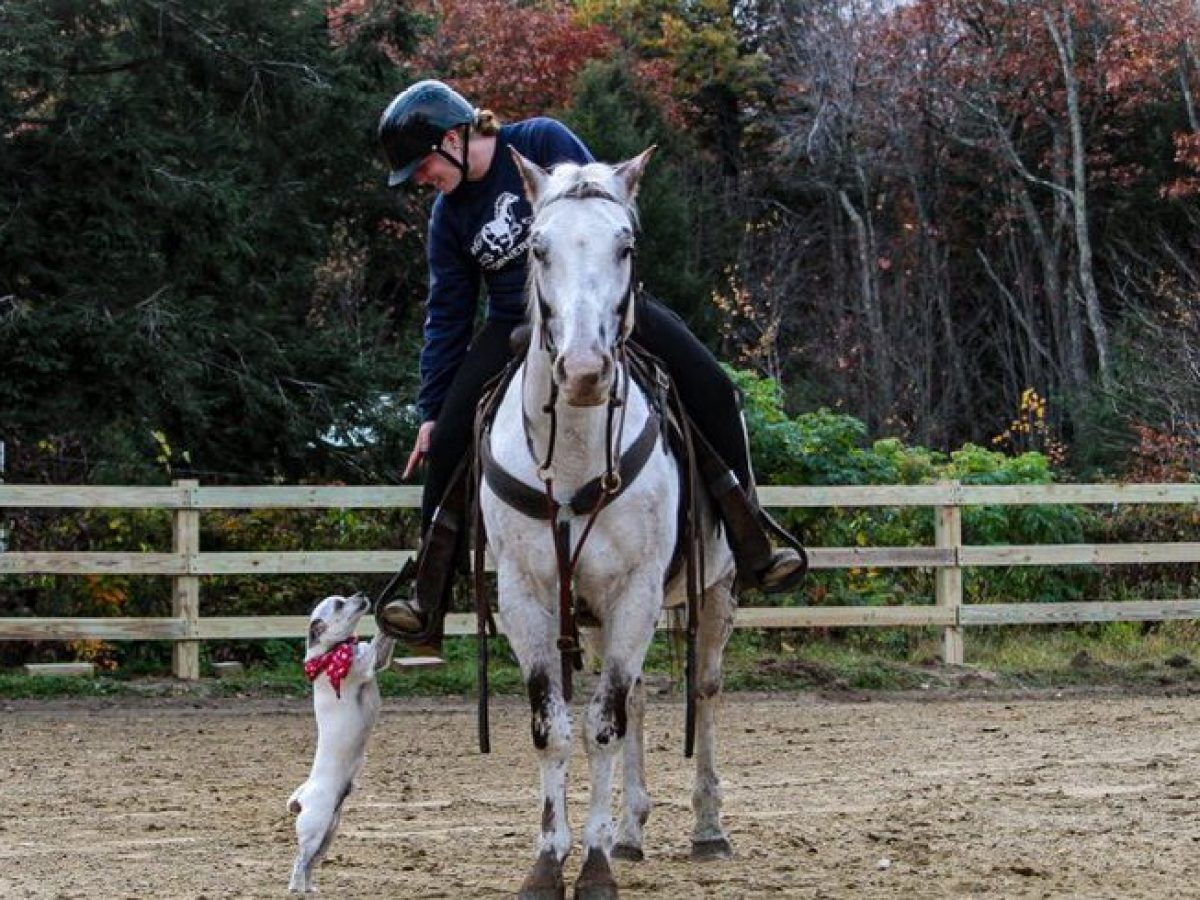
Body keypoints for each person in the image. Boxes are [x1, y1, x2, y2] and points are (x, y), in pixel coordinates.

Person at [376, 79, 803, 644]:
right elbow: (447, 316)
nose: (423, 181)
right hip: (515, 325)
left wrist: (603, 311)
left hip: (604, 307)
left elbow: (604, 220)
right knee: (450, 435)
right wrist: (431, 410)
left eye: (424, 165)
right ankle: (426, 594)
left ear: (454, 137)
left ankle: (751, 542)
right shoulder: (448, 217)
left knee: (716, 390)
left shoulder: (542, 139)